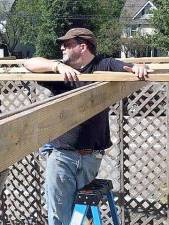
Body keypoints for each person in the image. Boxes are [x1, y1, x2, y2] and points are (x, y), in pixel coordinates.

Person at [24, 27, 149, 225]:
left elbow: (127, 67)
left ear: (82, 47)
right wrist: (57, 67)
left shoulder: (103, 65)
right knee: (58, 215)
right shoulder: (60, 72)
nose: (62, 47)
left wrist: (137, 68)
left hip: (91, 156)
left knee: (80, 216)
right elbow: (29, 63)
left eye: (67, 44)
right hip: (61, 154)